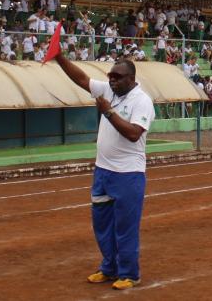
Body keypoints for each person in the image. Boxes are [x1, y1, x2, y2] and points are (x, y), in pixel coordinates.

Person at [52, 55, 152, 290]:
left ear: (131, 78)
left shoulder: (142, 101)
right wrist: (59, 57)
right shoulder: (109, 90)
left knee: (125, 227)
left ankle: (129, 273)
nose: (112, 81)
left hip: (128, 174)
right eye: (110, 76)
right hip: (103, 172)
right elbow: (81, 78)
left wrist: (108, 112)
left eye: (117, 77)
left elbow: (134, 133)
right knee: (102, 224)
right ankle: (109, 268)